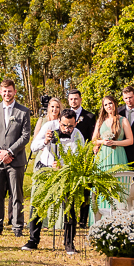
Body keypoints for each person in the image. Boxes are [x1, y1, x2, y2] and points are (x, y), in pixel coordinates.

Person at [23, 97, 85, 251]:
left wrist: (66, 165)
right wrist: (45, 141)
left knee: (69, 207)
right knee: (38, 204)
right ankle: (33, 240)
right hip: (47, 168)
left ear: (75, 123)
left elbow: (81, 155)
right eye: (64, 125)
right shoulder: (49, 126)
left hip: (66, 173)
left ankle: (69, 244)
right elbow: (34, 146)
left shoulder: (77, 134)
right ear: (59, 121)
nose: (67, 128)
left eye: (70, 126)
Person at [0, 78, 31, 237]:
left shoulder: (23, 111)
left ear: (15, 92)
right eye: (4, 91)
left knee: (16, 194)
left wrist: (10, 152)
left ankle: (17, 226)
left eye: (9, 91)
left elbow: (25, 136)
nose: (7, 94)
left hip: (15, 160)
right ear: (0, 92)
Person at [92, 95, 132, 211]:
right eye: (105, 105)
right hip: (103, 156)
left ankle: (120, 213)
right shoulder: (100, 121)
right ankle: (101, 212)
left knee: (118, 184)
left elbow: (130, 140)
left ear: (115, 104)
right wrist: (103, 142)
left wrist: (115, 142)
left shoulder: (122, 120)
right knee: (103, 185)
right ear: (103, 107)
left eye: (110, 103)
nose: (108, 106)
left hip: (118, 154)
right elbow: (93, 140)